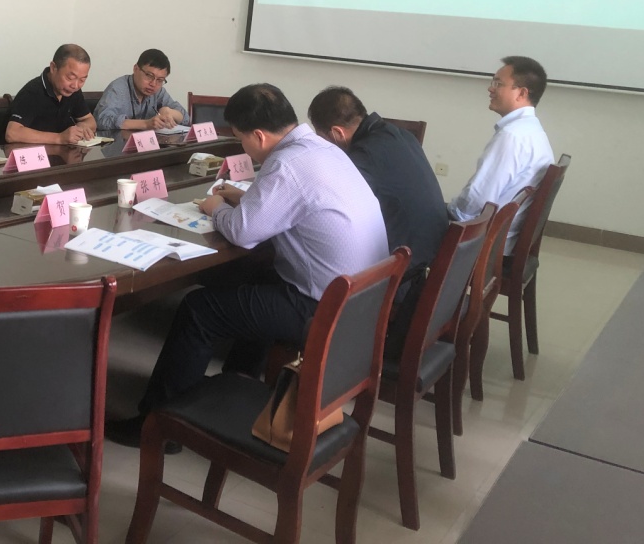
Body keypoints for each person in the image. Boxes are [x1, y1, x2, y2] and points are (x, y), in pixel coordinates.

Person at [108, 83, 388, 447]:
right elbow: (296, 202)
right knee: (253, 279)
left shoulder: (287, 165)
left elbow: (243, 233)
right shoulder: (320, 149)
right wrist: (245, 197)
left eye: (241, 139)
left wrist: (215, 207)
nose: (243, 147)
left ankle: (159, 428)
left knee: (199, 309)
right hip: (360, 301)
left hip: (322, 309)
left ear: (258, 136)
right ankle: (237, 381)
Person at [307, 86, 447, 270]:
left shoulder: (362, 157)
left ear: (337, 133)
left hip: (405, 269)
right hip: (435, 255)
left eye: (321, 138)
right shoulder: (400, 134)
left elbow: (336, 214)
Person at [448, 55, 554, 253]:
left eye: (498, 84)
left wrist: (448, 212)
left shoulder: (512, 136)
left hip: (484, 243)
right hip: (503, 236)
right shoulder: (533, 130)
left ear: (521, 93)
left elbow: (478, 201)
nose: (491, 89)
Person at [5, 44, 97, 144]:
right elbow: (12, 133)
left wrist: (82, 127)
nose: (75, 85)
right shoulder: (32, 92)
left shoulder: (72, 91)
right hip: (30, 152)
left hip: (60, 152)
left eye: (82, 80)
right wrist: (60, 138)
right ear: (53, 68)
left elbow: (89, 120)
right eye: (70, 78)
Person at [93, 48, 189, 131]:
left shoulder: (158, 92)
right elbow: (102, 120)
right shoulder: (118, 88)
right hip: (118, 145)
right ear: (136, 69)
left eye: (160, 80)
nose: (153, 84)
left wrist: (169, 112)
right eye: (149, 75)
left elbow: (186, 118)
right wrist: (146, 124)